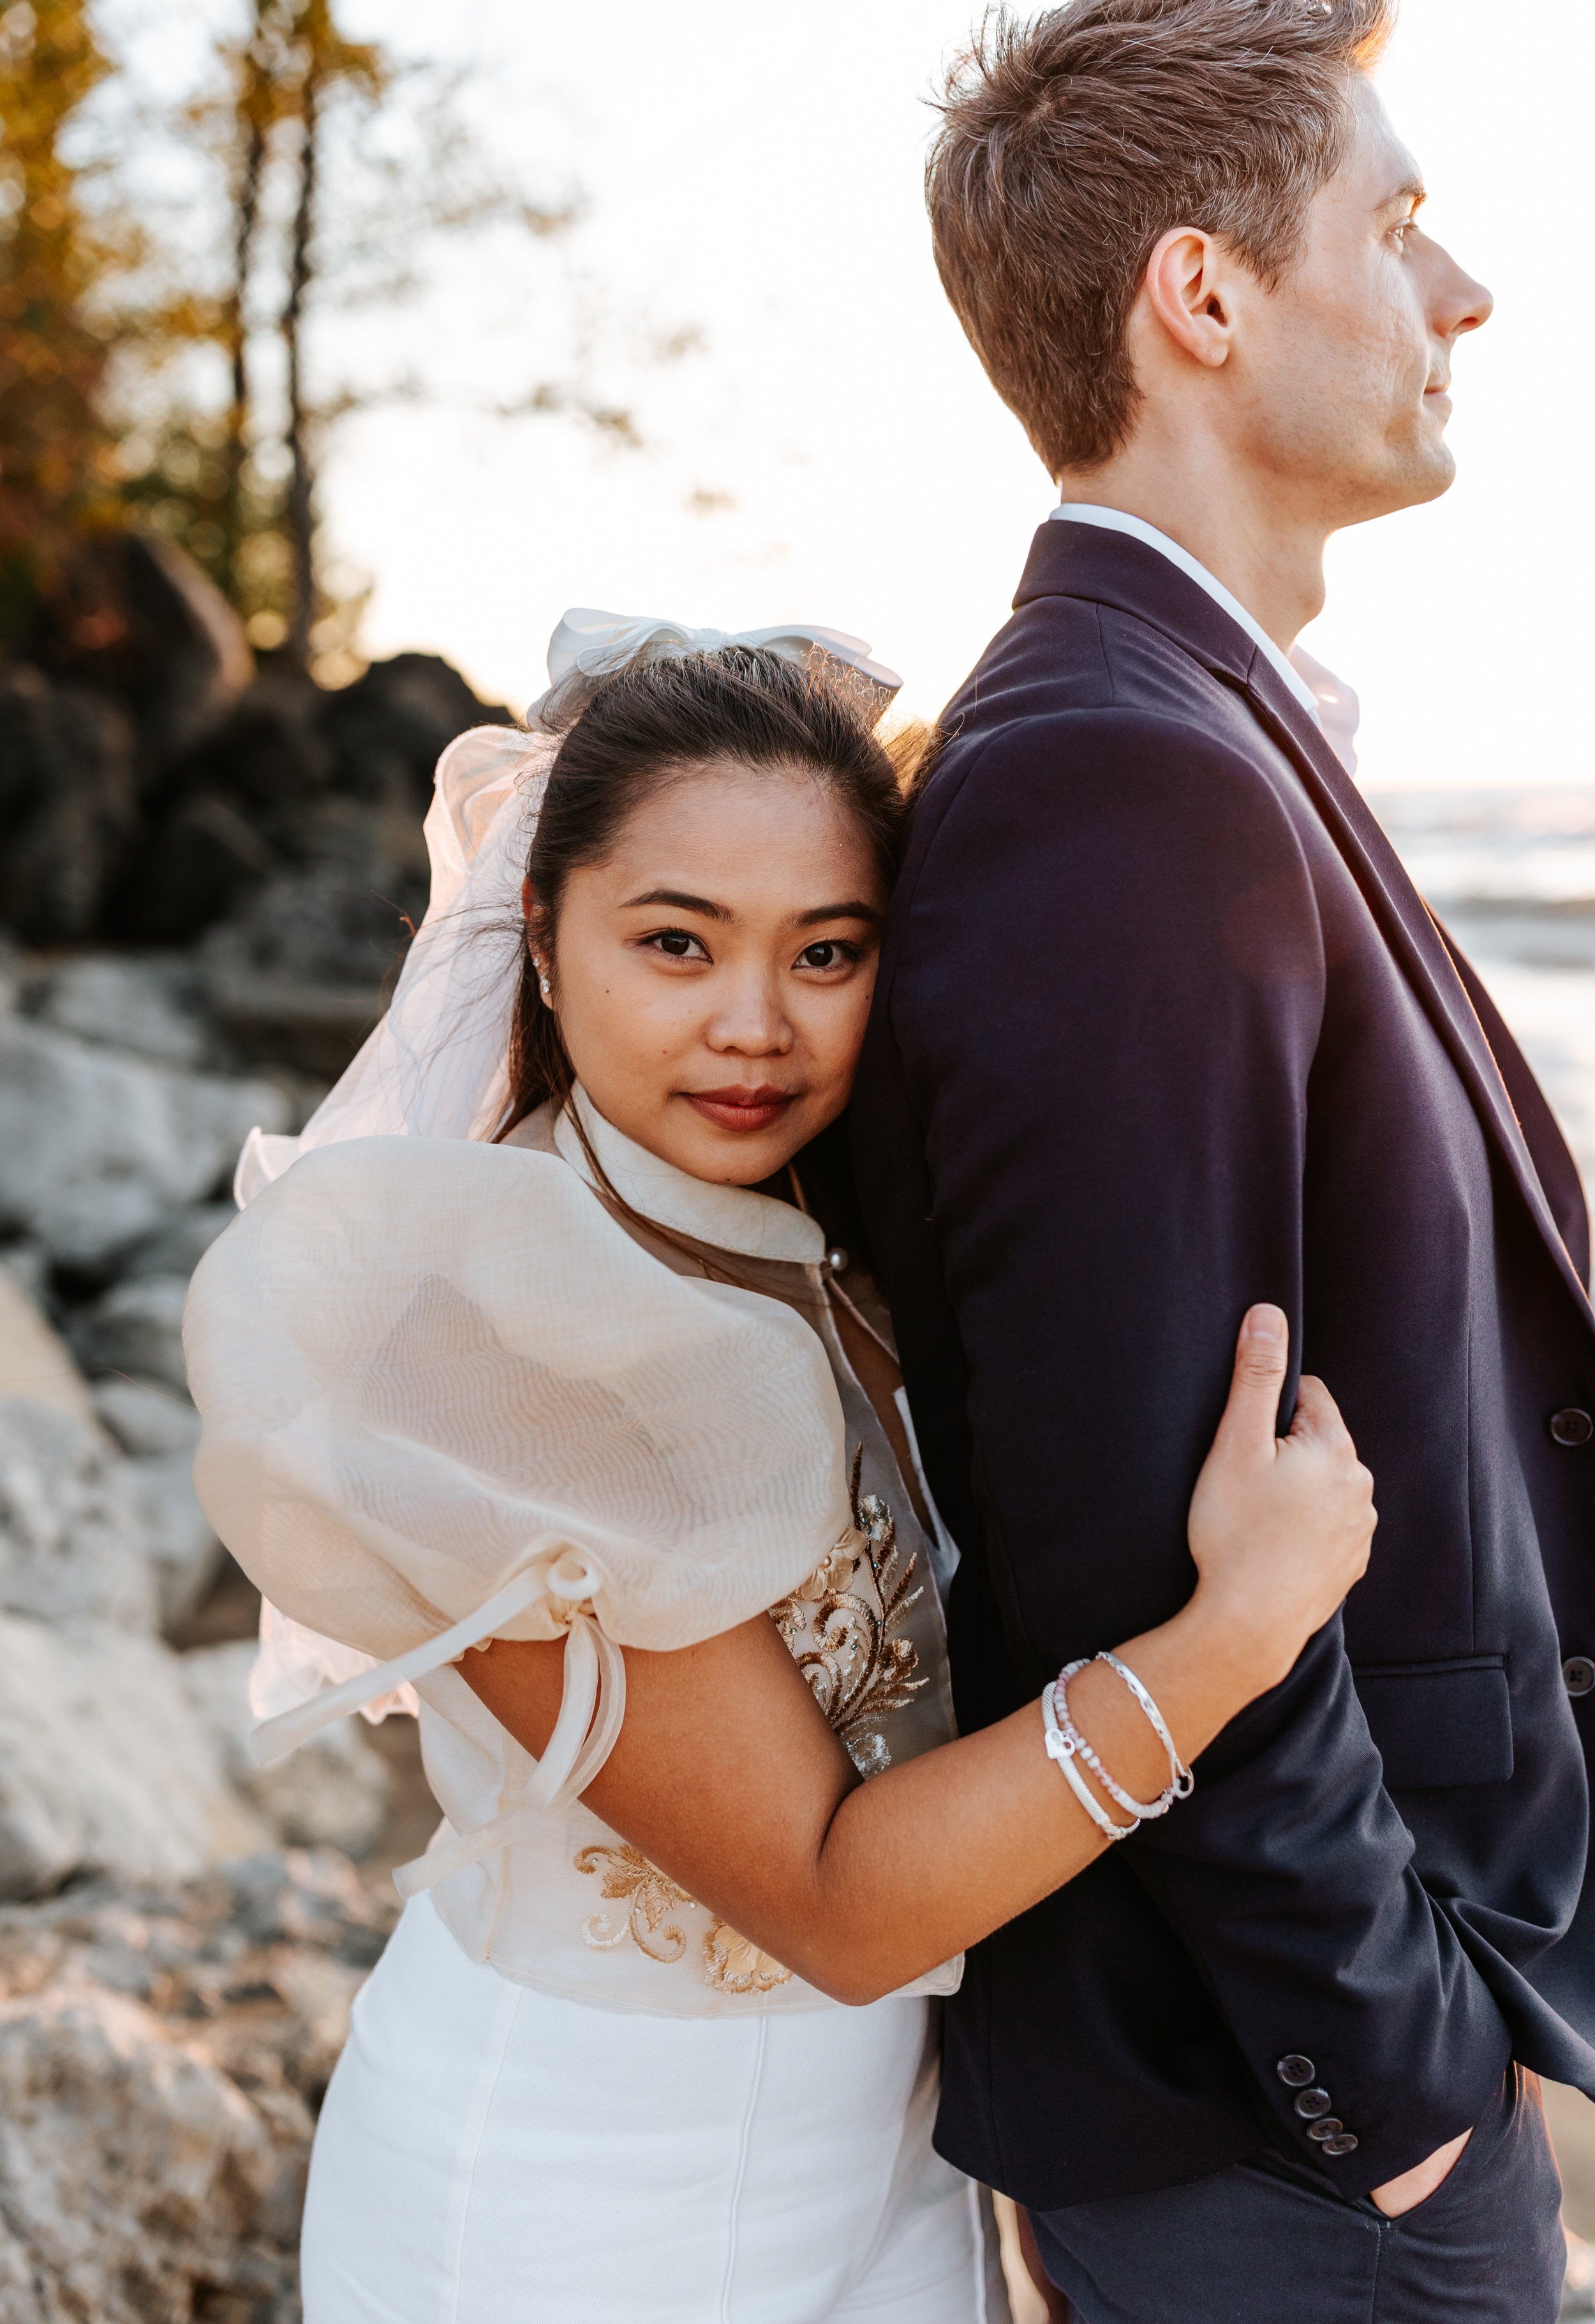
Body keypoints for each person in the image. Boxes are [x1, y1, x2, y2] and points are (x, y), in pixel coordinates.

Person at [184, 614, 1377, 2324]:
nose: (755, 1025)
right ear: (538, 933)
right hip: (575, 2197)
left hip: (889, 2158)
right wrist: (1232, 1642)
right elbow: (830, 1899)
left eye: (829, 952)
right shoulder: (477, 1343)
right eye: (676, 943)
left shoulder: (824, 1240)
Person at [850, 0, 1594, 2323]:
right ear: (1200, 295)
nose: (1463, 289)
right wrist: (1390, 2103)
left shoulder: (1187, 724)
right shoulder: (1118, 774)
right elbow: (1115, 1541)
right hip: (1272, 2122)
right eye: (1397, 229)